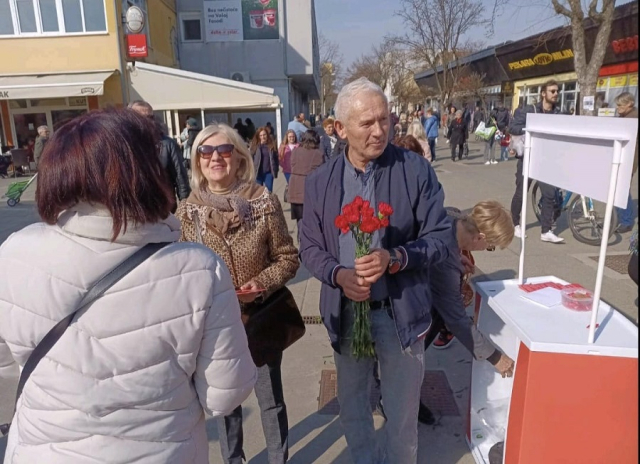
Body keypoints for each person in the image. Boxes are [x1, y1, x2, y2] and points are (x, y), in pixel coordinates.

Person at [0, 108, 257, 463]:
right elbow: (225, 394)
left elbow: (6, 368)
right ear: (146, 173)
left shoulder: (13, 253)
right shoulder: (198, 269)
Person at [299, 77, 453, 464]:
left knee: (401, 417)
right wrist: (338, 275)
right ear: (340, 128)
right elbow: (310, 247)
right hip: (347, 313)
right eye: (367, 123)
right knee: (353, 405)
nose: (380, 130)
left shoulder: (414, 170)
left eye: (385, 119)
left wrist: (396, 257)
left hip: (400, 315)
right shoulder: (321, 181)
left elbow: (440, 237)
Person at [176, 123, 299, 464]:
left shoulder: (262, 202)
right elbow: (180, 270)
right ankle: (234, 460)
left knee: (270, 399)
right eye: (206, 151)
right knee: (225, 403)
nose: (215, 157)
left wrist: (261, 283)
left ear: (239, 158)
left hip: (259, 319)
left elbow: (288, 258)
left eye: (224, 150)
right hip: (214, 328)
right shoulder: (187, 212)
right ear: (197, 160)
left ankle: (278, 459)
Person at [376, 201, 517, 424]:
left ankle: (394, 389)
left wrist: (456, 255)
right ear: (479, 237)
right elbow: (457, 320)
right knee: (409, 361)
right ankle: (394, 399)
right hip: (399, 302)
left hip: (400, 285)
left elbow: (446, 247)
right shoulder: (445, 265)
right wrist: (495, 357)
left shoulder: (453, 214)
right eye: (490, 246)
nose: (486, 251)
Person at [509, 79, 565, 243]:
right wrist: (532, 127)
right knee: (521, 192)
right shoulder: (530, 110)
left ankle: (546, 231)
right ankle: (515, 224)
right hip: (528, 157)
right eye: (552, 91)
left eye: (557, 91)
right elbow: (512, 127)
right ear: (543, 94)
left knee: (549, 195)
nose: (556, 94)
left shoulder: (557, 114)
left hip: (546, 160)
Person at [129, 101, 191, 206]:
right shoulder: (123, 145)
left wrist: (185, 205)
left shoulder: (168, 144)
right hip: (135, 209)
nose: (147, 121)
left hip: (163, 208)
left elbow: (181, 177)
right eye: (140, 117)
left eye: (150, 117)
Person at [288, 130, 324, 233]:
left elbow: (292, 166)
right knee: (311, 220)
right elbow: (322, 172)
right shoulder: (318, 154)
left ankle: (301, 239)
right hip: (310, 189)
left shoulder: (295, 151)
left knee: (300, 219)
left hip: (295, 189)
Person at [613, 92, 638, 234]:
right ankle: (621, 218)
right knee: (619, 189)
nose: (617, 108)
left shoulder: (632, 119)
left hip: (628, 159)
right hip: (624, 158)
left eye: (620, 105)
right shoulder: (625, 117)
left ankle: (625, 221)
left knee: (621, 190)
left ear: (629, 104)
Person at [250, 126, 279, 192]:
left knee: (269, 191)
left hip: (268, 173)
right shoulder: (255, 146)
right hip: (258, 173)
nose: (263, 137)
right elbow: (250, 158)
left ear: (267, 135)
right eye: (261, 135)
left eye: (264, 135)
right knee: (258, 192)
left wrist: (276, 169)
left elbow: (276, 158)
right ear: (258, 136)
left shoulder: (271, 145)